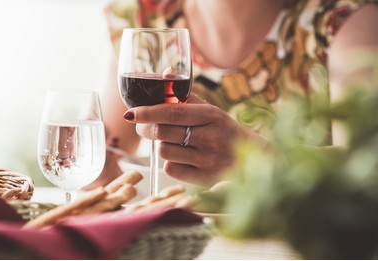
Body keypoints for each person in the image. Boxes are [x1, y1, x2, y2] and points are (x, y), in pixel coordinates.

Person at [87, 0, 378, 189]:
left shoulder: (344, 21)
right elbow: (103, 162)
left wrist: (253, 158)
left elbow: (368, 170)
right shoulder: (145, 16)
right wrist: (90, 167)